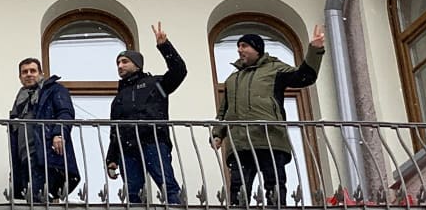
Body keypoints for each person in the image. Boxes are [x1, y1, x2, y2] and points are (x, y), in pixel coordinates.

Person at [211, 25, 326, 206]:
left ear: (256, 49)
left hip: (270, 139)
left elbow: (305, 77)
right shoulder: (232, 80)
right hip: (240, 143)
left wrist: (315, 50)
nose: (239, 50)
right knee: (238, 188)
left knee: (274, 185)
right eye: (238, 46)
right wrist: (218, 134)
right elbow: (225, 112)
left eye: (244, 46)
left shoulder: (275, 69)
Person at [105, 22, 187, 205]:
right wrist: (112, 158)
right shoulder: (119, 97)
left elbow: (179, 71)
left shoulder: (155, 83)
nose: (120, 65)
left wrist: (164, 45)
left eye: (124, 61)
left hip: (154, 141)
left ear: (137, 64)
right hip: (127, 148)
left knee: (167, 184)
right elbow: (114, 130)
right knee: (133, 192)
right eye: (118, 62)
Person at [8, 57, 80, 203]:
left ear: (41, 73)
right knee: (33, 198)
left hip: (45, 153)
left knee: (40, 197)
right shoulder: (21, 98)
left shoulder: (54, 90)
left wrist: (59, 133)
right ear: (20, 77)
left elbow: (65, 112)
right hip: (24, 156)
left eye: (33, 71)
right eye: (24, 72)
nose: (28, 74)